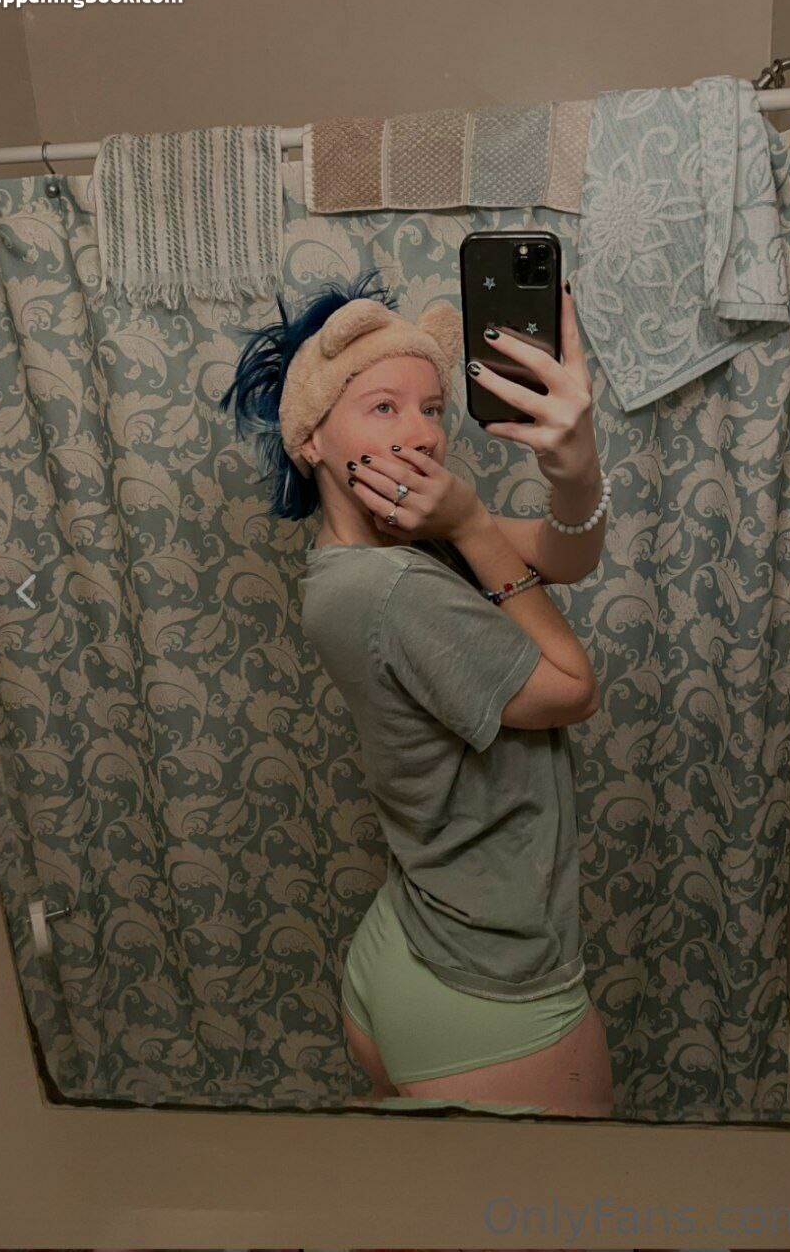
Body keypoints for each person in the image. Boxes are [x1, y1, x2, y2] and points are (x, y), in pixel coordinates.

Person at [219, 268, 613, 1118]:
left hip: (408, 933)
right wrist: (470, 525)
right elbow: (573, 690)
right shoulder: (392, 586)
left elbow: (568, 552)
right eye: (383, 407)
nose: (423, 433)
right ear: (310, 439)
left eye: (432, 408)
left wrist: (576, 469)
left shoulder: (380, 553)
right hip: (484, 985)